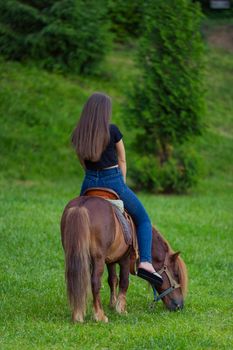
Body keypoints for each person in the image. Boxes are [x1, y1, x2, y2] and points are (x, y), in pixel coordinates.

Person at [71, 92, 163, 288]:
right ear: (105, 112)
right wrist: (122, 183)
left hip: (89, 182)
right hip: (113, 180)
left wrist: (92, 176)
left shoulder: (78, 134)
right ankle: (145, 262)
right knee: (144, 219)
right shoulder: (112, 131)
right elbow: (122, 159)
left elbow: (82, 162)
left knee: (78, 222)